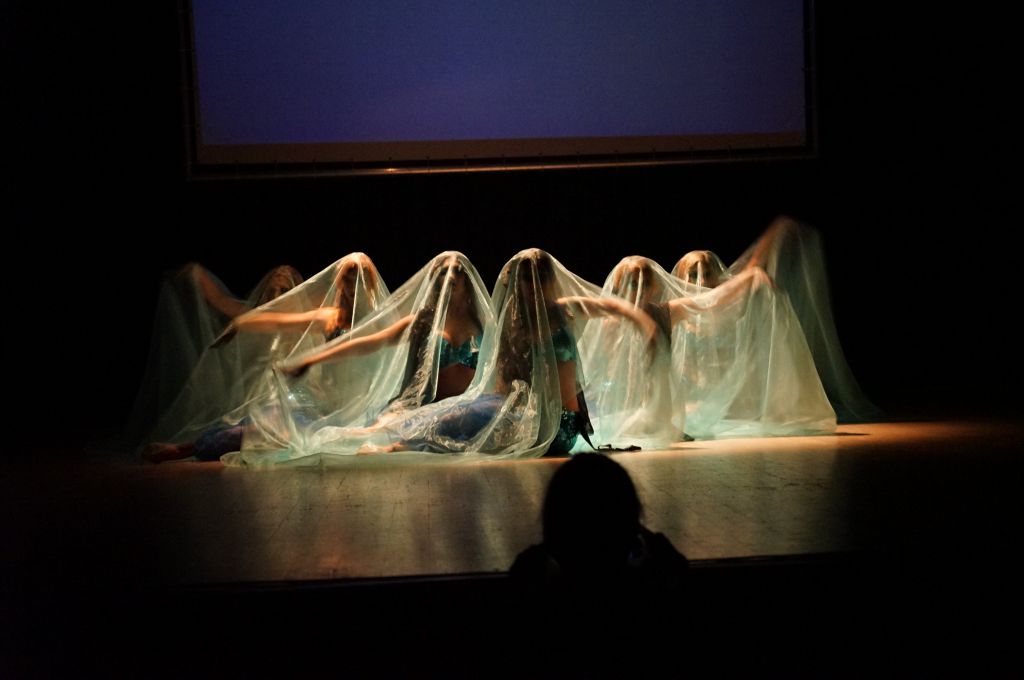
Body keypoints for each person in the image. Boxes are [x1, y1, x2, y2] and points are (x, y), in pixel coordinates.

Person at [141, 253, 388, 462]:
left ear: (369, 285)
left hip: (352, 407)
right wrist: (240, 323)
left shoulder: (379, 320)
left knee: (271, 434)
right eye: (347, 280)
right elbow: (277, 320)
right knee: (252, 429)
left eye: (357, 281)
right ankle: (187, 448)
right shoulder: (330, 317)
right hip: (315, 405)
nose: (351, 288)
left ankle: (187, 448)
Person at [584, 254, 835, 443]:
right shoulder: (611, 322)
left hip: (658, 412)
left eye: (644, 284)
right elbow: (599, 370)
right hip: (633, 412)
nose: (639, 291)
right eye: (632, 284)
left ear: (654, 287)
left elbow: (710, 300)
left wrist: (749, 278)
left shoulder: (663, 313)